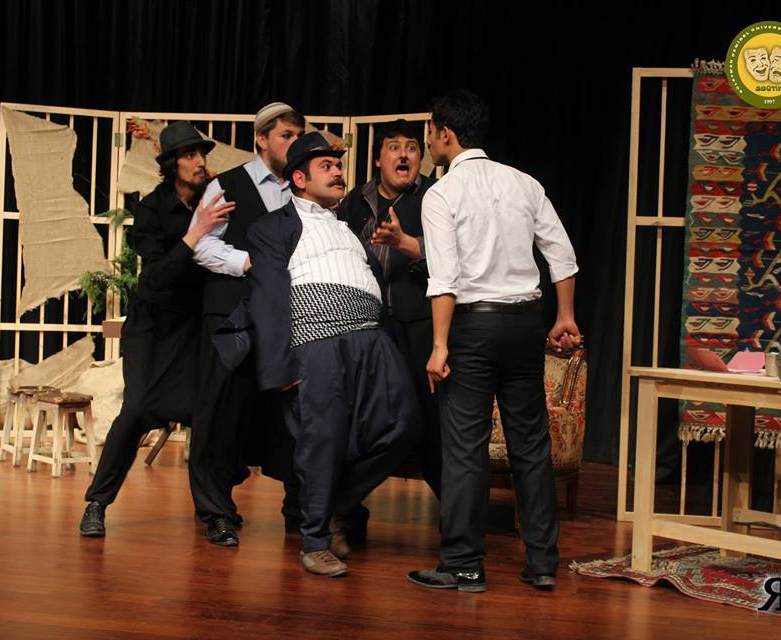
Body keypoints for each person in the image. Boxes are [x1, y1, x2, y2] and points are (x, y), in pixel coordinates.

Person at [407, 90, 580, 593]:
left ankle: (463, 564)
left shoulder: (442, 193)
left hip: (473, 328)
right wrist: (565, 316)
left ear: (445, 134)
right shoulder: (524, 182)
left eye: (430, 132)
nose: (428, 142)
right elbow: (562, 255)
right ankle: (542, 562)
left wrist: (440, 346)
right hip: (525, 325)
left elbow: (443, 278)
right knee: (531, 444)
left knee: (465, 447)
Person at [247, 132, 420, 577]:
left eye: (339, 166)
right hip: (317, 339)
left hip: (371, 339)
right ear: (299, 179)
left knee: (405, 424)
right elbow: (267, 295)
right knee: (322, 439)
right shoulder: (272, 227)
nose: (339, 172)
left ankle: (338, 504)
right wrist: (279, 365)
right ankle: (315, 541)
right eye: (327, 166)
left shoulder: (346, 228)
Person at [79, 122, 235, 537]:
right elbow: (156, 278)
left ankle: (215, 513)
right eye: (190, 155)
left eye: (201, 154)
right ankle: (97, 502)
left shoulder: (215, 199)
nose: (199, 162)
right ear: (171, 165)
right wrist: (196, 232)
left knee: (207, 416)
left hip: (194, 327)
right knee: (136, 410)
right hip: (152, 327)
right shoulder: (151, 209)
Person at [187, 103, 306, 546]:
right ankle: (216, 511)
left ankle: (298, 512)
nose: (293, 144)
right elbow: (202, 245)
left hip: (284, 317)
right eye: (286, 136)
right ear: (261, 138)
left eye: (298, 136)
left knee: (290, 413)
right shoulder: (227, 184)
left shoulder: (302, 189)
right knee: (221, 412)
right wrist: (249, 262)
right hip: (231, 316)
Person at [338, 119, 441, 500]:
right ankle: (347, 510)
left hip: (422, 326)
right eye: (394, 147)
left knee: (429, 424)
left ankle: (456, 520)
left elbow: (456, 258)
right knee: (363, 420)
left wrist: (407, 244)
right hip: (369, 328)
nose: (404, 155)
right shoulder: (355, 201)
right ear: (378, 158)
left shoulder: (435, 197)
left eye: (412, 147)